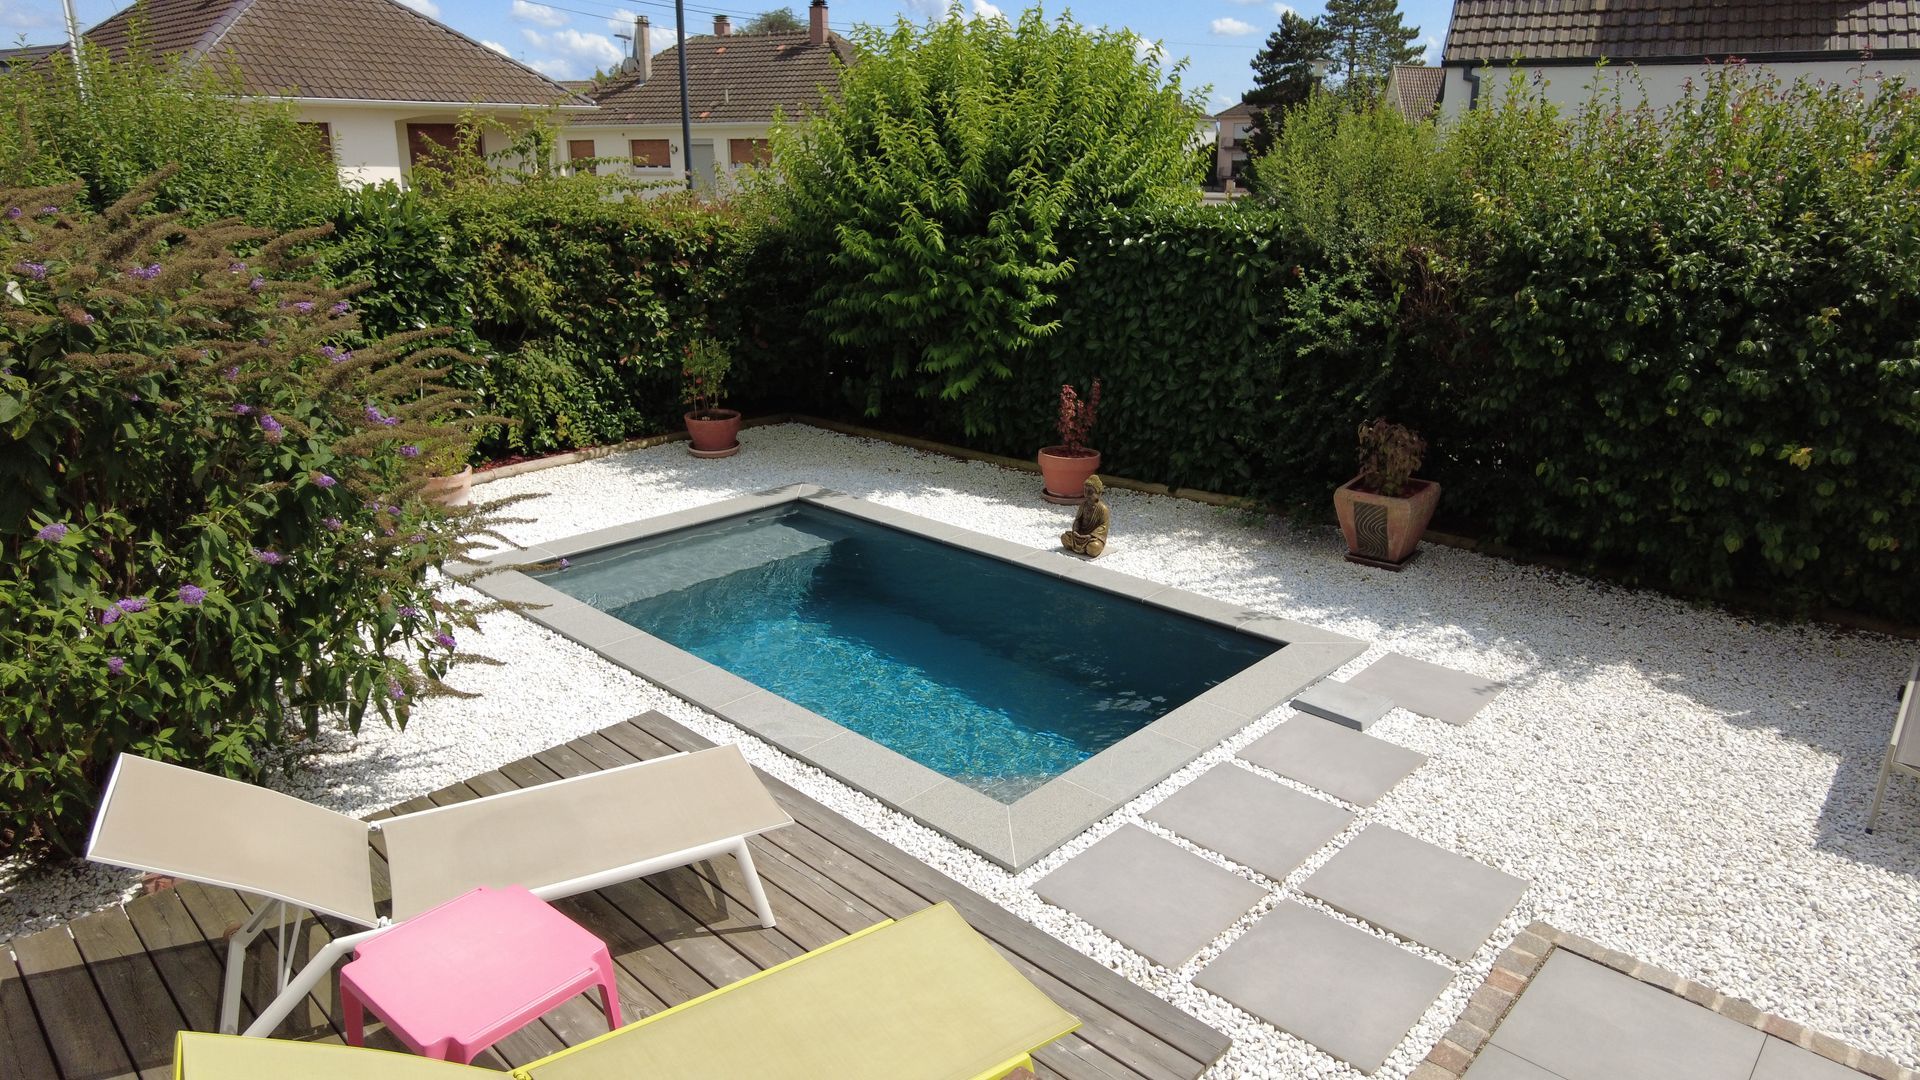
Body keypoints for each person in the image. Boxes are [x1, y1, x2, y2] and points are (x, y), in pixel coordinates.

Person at [1061, 475, 1109, 558]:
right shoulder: (1083, 505)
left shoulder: (1103, 509)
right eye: (1085, 491)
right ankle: (1081, 547)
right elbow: (1078, 520)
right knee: (1064, 538)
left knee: (1093, 548)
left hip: (1092, 538)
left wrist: (1091, 535)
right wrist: (1075, 530)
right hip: (1080, 535)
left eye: (1090, 492)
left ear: (1098, 493)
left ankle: (1087, 548)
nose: (1086, 494)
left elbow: (1103, 526)